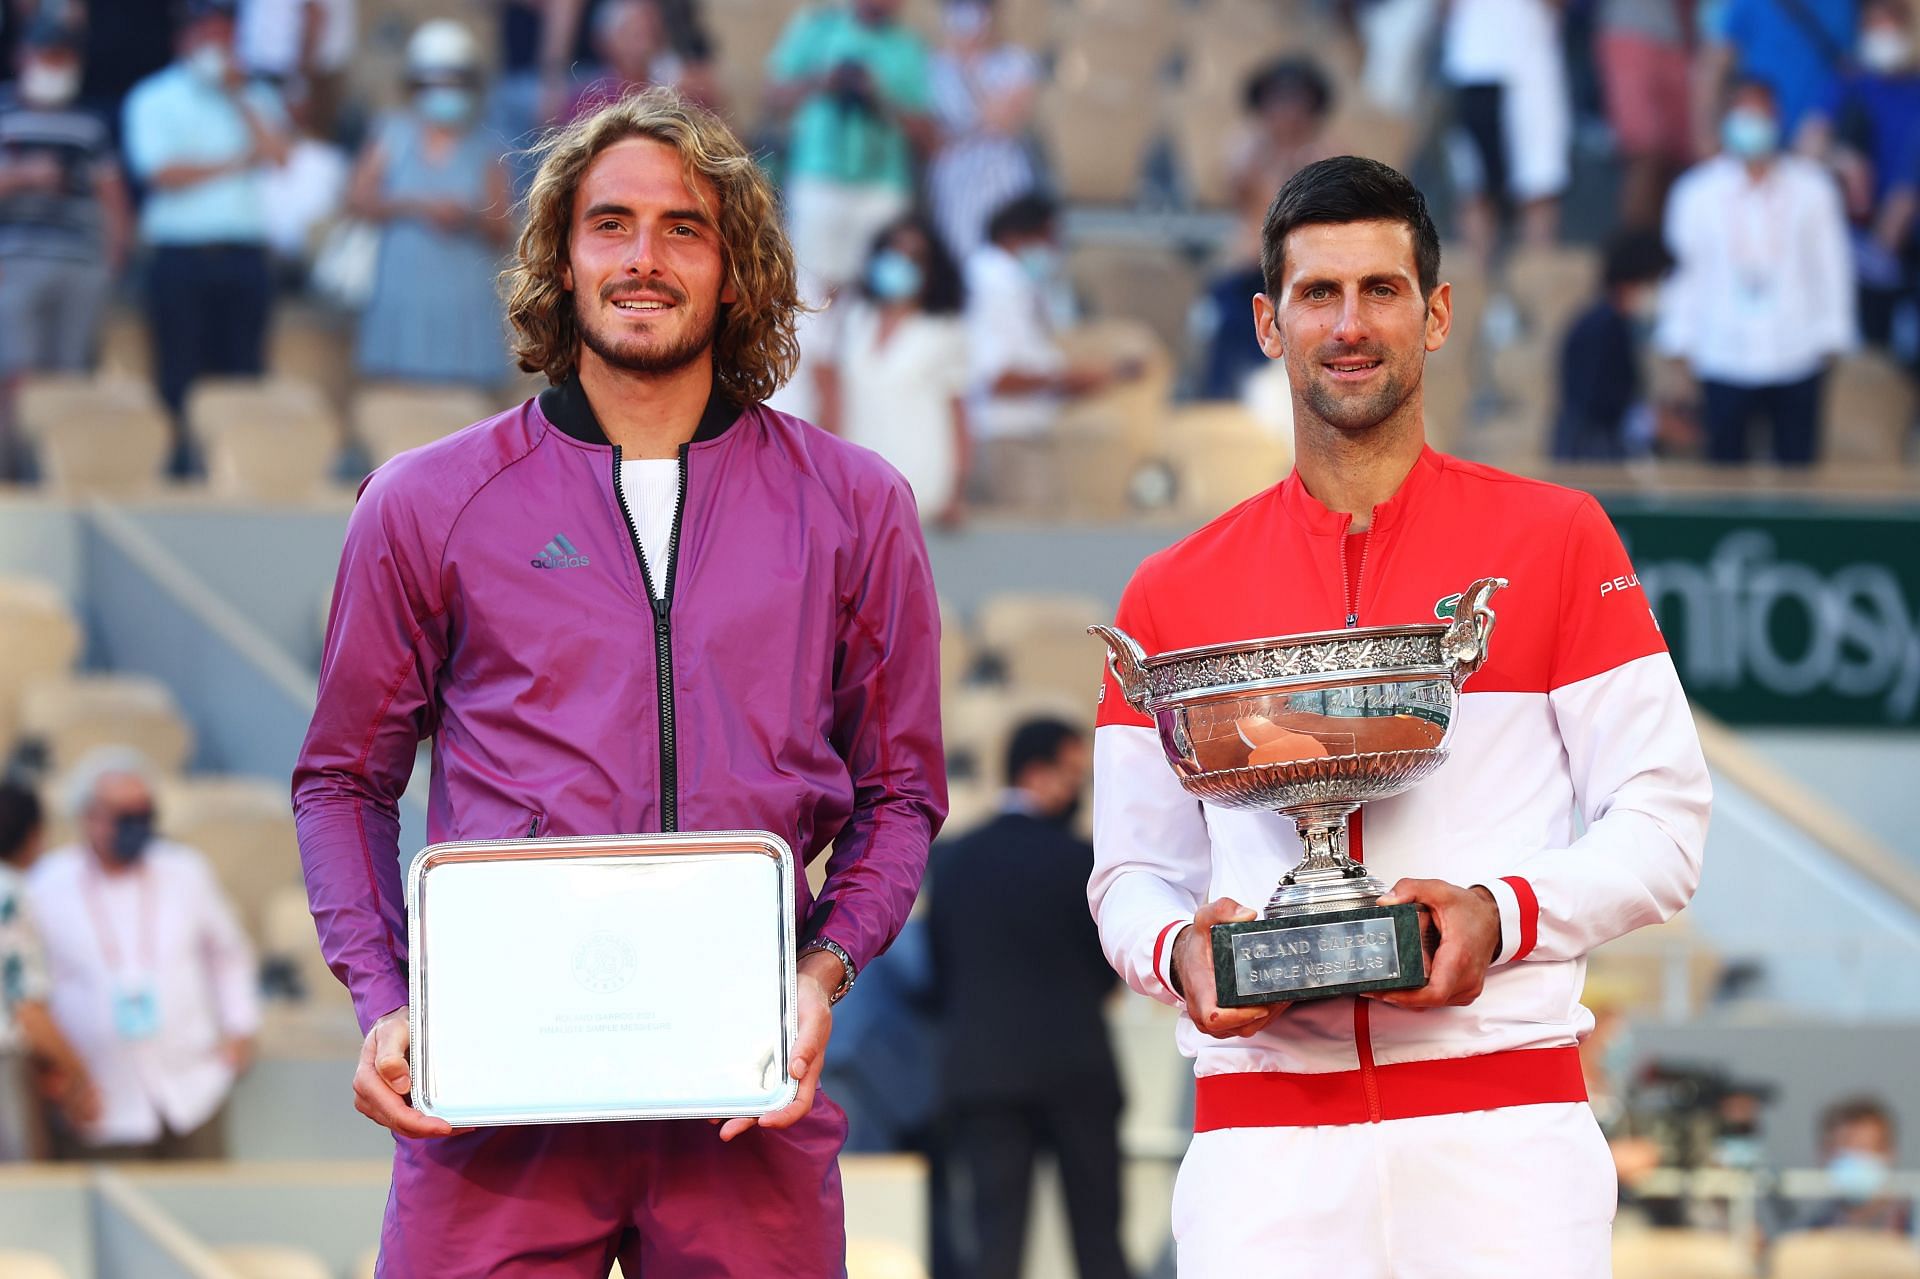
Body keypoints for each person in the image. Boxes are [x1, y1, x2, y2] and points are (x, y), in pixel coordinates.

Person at [292, 87, 944, 1275]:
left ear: (736, 269)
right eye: (611, 225)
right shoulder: (428, 502)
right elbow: (341, 779)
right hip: (494, 1091)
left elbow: (901, 796)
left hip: (741, 1087)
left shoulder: (856, 506)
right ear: (561, 257)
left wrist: (823, 967)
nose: (645, 258)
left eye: (684, 228)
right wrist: (384, 999)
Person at [1090, 155, 1712, 1277]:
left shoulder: (1558, 540)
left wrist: (1500, 913)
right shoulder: (1169, 592)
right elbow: (1130, 872)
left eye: (1381, 291)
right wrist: (1182, 952)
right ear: (1269, 324)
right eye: (1318, 294)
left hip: (1506, 1140)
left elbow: (1665, 825)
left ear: (1436, 315)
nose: (1349, 324)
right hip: (1261, 1149)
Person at [929, 718, 1130, 1279]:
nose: (1077, 789)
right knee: (1099, 1242)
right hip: (1077, 1070)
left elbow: (940, 970)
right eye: (1071, 775)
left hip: (984, 1073)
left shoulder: (953, 861)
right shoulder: (1082, 863)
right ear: (1038, 773)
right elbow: (1108, 967)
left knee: (995, 1247)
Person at [26, 748, 259, 1160]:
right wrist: (57, 1075)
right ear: (88, 816)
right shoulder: (47, 885)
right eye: (122, 813)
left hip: (193, 1088)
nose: (136, 824)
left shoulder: (186, 870)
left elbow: (228, 953)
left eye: (143, 811)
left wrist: (240, 1027)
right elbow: (31, 987)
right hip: (100, 1100)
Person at [121, 0, 289, 476]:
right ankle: (179, 473)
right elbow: (161, 172)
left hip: (245, 257)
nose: (217, 48)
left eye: (225, 39)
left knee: (243, 374)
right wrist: (237, 162)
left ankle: (236, 471)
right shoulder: (153, 97)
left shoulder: (255, 95)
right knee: (178, 374)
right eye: (207, 38)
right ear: (185, 41)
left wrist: (239, 98)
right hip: (180, 258)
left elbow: (280, 155)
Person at [1656, 78, 1856, 464]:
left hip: (1797, 349)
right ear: (1726, 121)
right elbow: (1683, 273)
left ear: (1776, 118)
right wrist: (1678, 342)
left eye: (1759, 114)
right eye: (1742, 115)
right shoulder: (1695, 193)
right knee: (1725, 475)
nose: (1752, 124)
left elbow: (1831, 266)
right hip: (1721, 352)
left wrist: (1833, 336)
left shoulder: (1813, 188)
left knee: (1798, 474)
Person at [348, 20, 513, 389]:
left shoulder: (487, 147)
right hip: (401, 296)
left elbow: (502, 227)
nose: (445, 91)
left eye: (455, 81)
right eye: (435, 81)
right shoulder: (391, 134)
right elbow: (358, 200)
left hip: (463, 305)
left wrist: (467, 217)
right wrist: (417, 205)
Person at [964, 194, 1134, 508]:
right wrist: (1068, 379)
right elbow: (1000, 378)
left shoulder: (997, 279)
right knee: (1028, 549)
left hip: (1004, 435)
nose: (1054, 250)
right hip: (1008, 439)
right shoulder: (999, 282)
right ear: (1015, 236)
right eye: (1047, 238)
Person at [1196, 57, 1337, 401]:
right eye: (1278, 101)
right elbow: (1238, 185)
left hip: (1308, 280)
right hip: (1250, 275)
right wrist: (1269, 151)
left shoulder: (1330, 154)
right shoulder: (1247, 148)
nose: (1287, 112)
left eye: (1296, 102)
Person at [766, 0, 933, 290]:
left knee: (871, 289)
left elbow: (926, 131)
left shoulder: (910, 46)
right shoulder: (818, 29)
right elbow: (773, 95)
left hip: (882, 185)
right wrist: (822, 81)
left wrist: (880, 96)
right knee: (808, 285)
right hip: (818, 176)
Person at [0, 18, 132, 380]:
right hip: (13, 264)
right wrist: (24, 175)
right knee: (15, 374)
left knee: (69, 377)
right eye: (47, 55)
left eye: (62, 57)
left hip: (80, 264)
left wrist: (112, 262)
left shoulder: (90, 124)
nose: (54, 66)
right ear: (22, 57)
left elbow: (113, 196)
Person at [821, 216, 972, 528]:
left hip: (922, 485)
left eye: (914, 257)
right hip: (857, 484)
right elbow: (834, 399)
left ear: (930, 269)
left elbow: (958, 412)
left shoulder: (944, 330)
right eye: (894, 253)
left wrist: (957, 491)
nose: (901, 263)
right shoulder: (854, 318)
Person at [1804, 0, 1920, 353]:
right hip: (1857, 247)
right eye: (1872, 22)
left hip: (1905, 247)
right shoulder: (1851, 81)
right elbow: (1809, 143)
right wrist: (1838, 159)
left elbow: (1908, 183)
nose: (1880, 31)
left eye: (1890, 21)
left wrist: (1889, 234)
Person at [0, 781, 98, 1161]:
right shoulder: (11, 892)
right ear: (34, 835)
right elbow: (27, 1009)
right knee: (26, 1204)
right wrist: (78, 1073)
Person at [1441, 0, 1571, 257]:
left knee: (1488, 190)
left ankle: (1515, 284)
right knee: (1507, 190)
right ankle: (1493, 287)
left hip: (1485, 58)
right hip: (1509, 61)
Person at [926, 0, 1041, 264]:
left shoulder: (1016, 61)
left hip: (1001, 175)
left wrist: (970, 65)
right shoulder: (934, 67)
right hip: (953, 179)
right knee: (957, 257)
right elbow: (934, 136)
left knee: (1003, 256)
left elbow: (1003, 122)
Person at [1552, 229, 1671, 460]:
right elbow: (1598, 405)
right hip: (1590, 459)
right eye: (1654, 281)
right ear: (1630, 283)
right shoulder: (1602, 329)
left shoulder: (1610, 324)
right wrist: (1653, 422)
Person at [1698, 0, 1856, 154]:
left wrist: (1824, 115)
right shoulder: (1744, 4)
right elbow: (1716, 65)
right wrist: (1707, 135)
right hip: (1754, 133)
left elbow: (1846, 67)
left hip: (1816, 141)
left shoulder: (1841, 4)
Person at [1595, 0, 1695, 228]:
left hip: (1683, 39)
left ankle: (1665, 251)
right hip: (1630, 30)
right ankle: (1636, 253)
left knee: (1680, 158)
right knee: (1644, 151)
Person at [567, 0, 721, 120]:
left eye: (649, 31)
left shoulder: (681, 91)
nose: (643, 42)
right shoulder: (588, 98)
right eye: (632, 33)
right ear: (606, 42)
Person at [235, 0, 356, 135]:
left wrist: (299, 84)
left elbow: (314, 17)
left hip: (296, 75)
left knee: (299, 141)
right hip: (270, 72)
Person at [1804, 1096, 1912, 1233]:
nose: (1856, 1160)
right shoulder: (1808, 1232)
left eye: (1865, 1149)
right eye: (1846, 1150)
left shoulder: (1911, 1227)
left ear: (1889, 1154)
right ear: (1824, 1155)